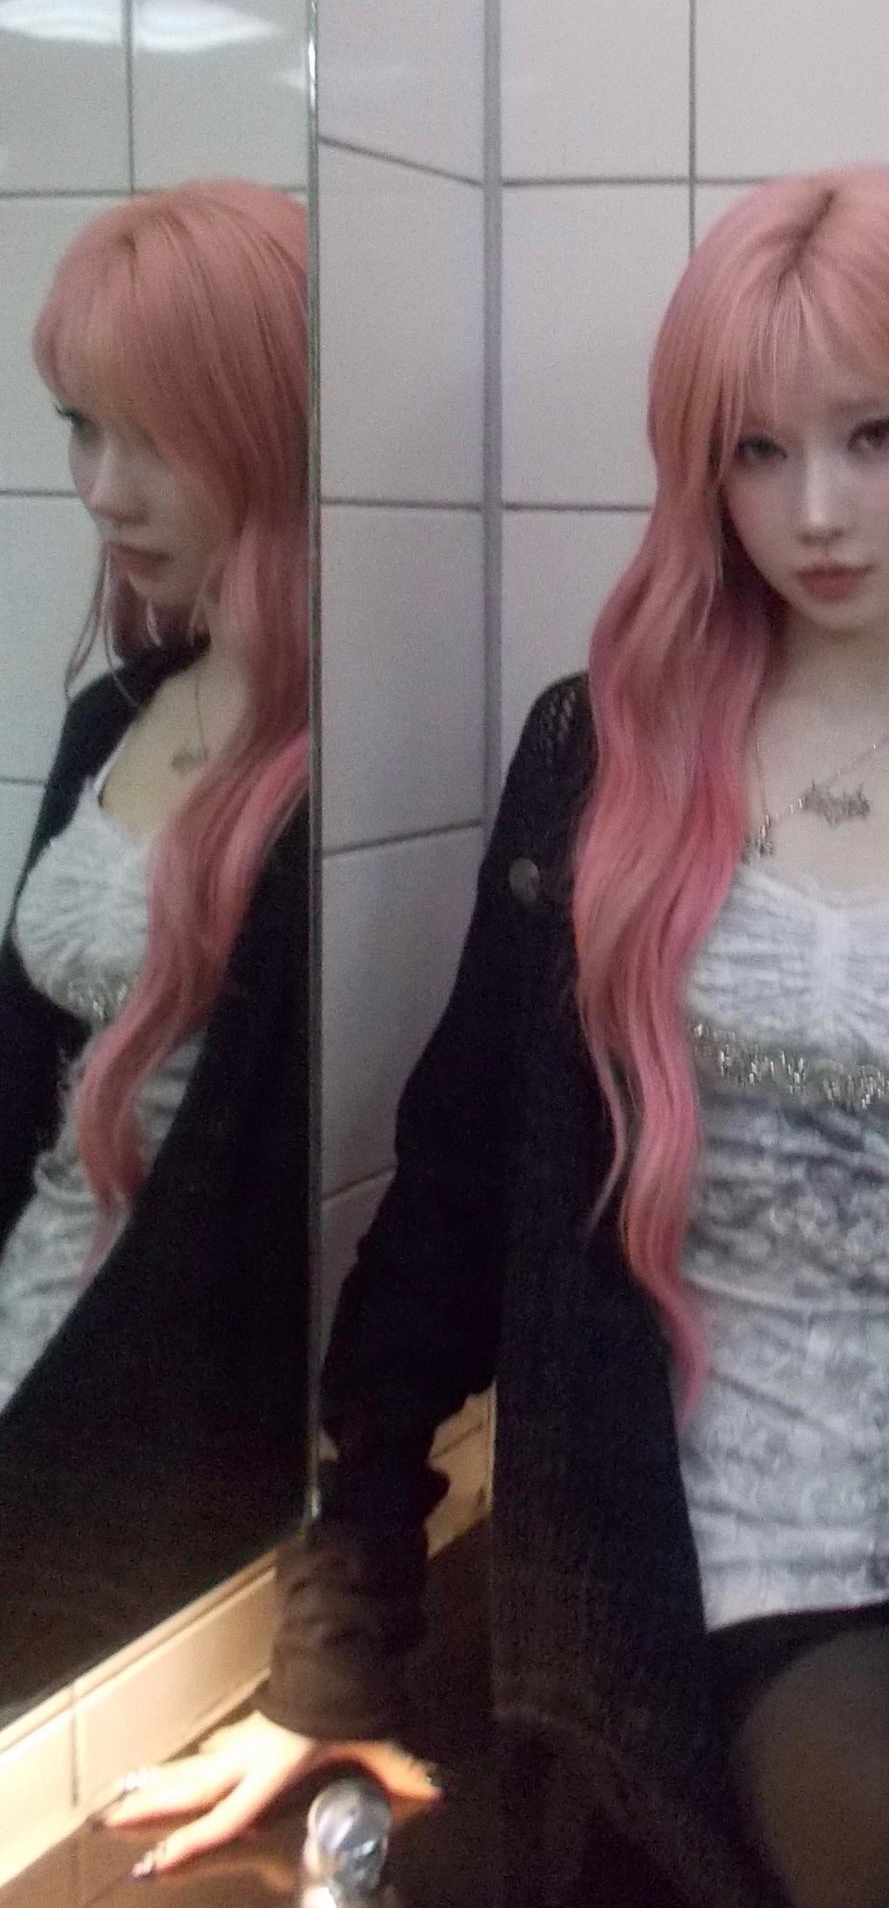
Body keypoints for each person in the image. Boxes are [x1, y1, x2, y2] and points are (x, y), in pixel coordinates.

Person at [102, 166, 889, 1905]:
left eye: (876, 438)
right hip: (746, 1524)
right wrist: (338, 1643)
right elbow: (457, 1188)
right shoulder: (602, 765)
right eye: (757, 452)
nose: (817, 513)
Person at [0, 182, 310, 1710]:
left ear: (269, 433)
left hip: (145, 1455)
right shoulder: (111, 717)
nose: (104, 492)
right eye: (81, 429)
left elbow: (253, 1234)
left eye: (156, 440)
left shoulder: (334, 781)